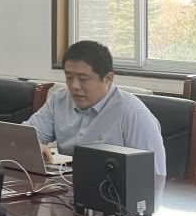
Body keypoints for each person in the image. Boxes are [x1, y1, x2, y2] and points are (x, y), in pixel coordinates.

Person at [24, 40, 167, 176]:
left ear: (108, 78)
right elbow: (22, 138)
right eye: (69, 77)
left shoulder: (134, 114)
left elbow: (155, 176)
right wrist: (33, 146)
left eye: (83, 79)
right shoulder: (59, 100)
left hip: (113, 190)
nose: (74, 86)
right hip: (64, 186)